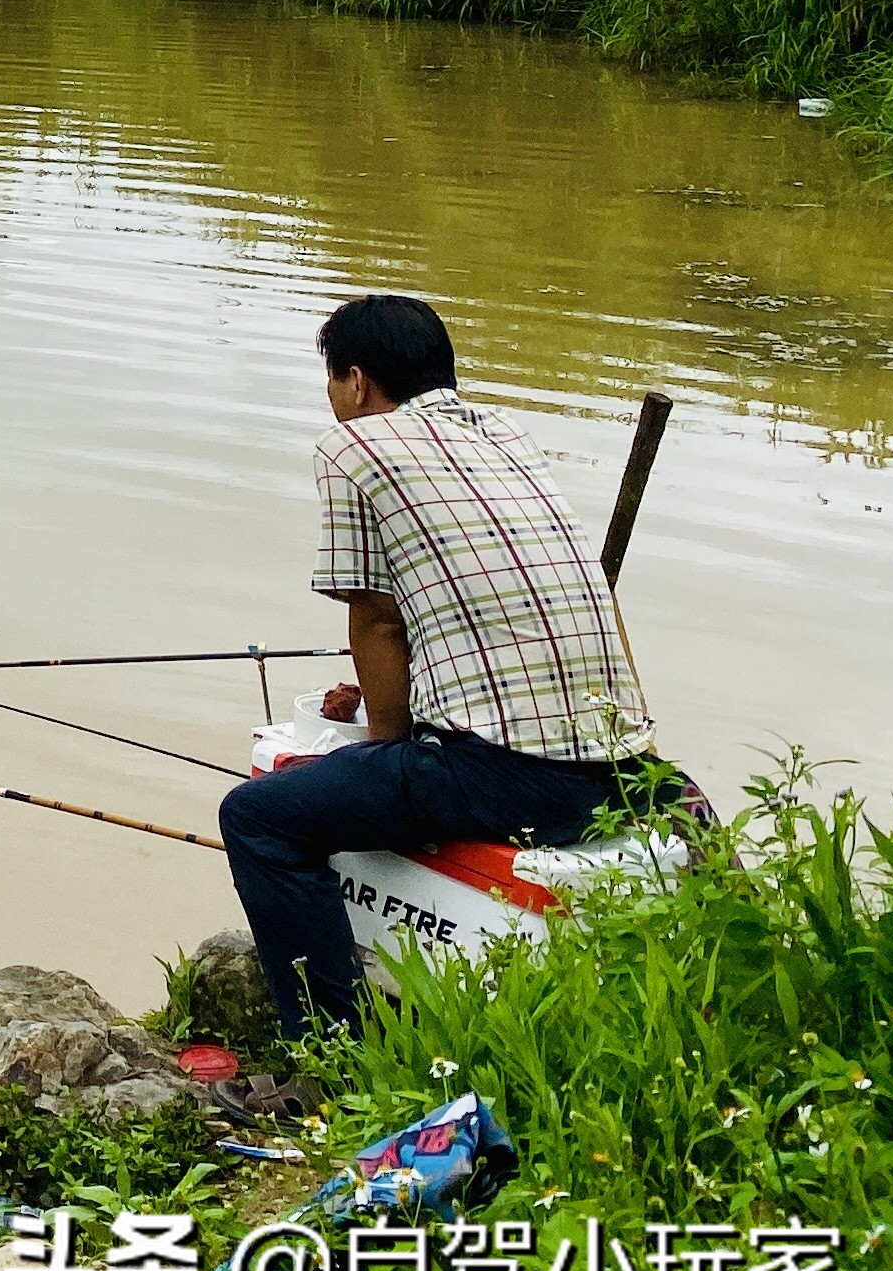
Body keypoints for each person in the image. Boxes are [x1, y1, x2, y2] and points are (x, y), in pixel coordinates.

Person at [217, 293, 656, 1036]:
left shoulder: (353, 448)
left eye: (332, 382)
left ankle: (332, 1053)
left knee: (258, 819)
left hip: (513, 777)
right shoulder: (506, 435)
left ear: (356, 381)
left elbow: (379, 618)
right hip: (624, 771)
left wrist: (384, 752)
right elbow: (484, 598)